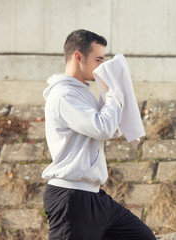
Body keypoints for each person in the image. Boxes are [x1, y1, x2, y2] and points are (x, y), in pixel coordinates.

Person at [42, 29, 156, 240]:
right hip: (71, 196)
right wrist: (115, 92)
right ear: (78, 56)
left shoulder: (82, 92)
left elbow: (111, 129)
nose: (102, 67)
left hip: (93, 195)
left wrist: (110, 95)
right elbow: (101, 127)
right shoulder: (63, 95)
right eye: (98, 60)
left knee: (142, 237)